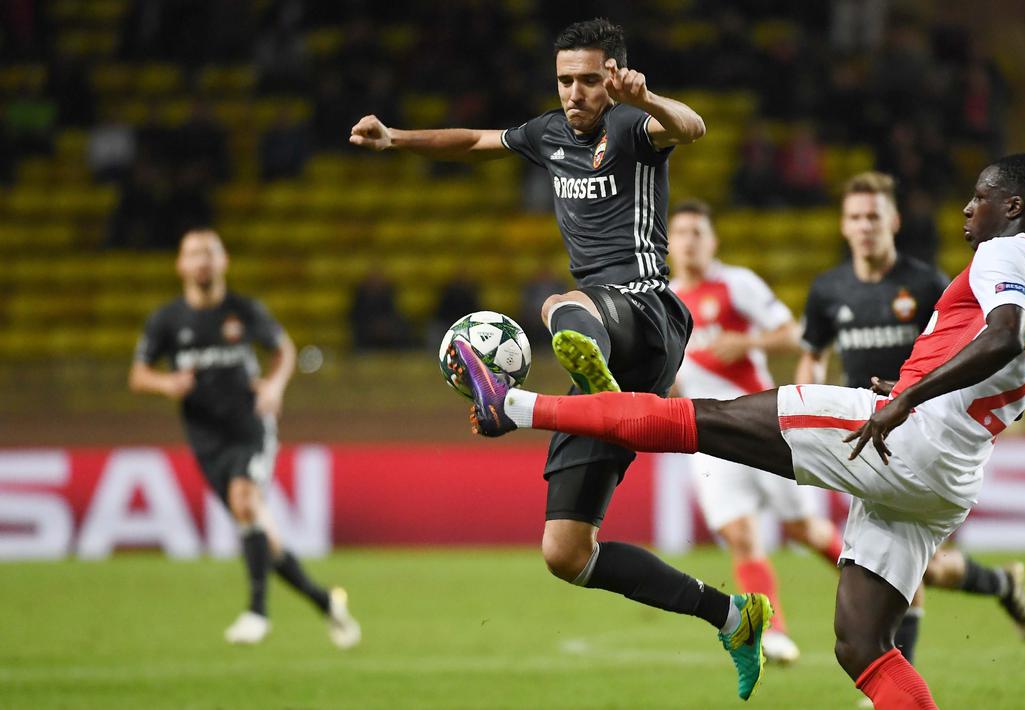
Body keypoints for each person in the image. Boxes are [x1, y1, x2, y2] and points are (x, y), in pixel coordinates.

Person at [457, 154, 1025, 709]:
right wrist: (915, 386)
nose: (967, 207)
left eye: (981, 196)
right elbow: (1010, 362)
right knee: (861, 645)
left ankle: (514, 406)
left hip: (907, 439)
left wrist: (908, 397)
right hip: (950, 474)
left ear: (1013, 207)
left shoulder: (1004, 253)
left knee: (700, 421)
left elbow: (1003, 334)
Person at [351, 19, 772, 699]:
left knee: (554, 305)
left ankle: (580, 382)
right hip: (605, 335)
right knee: (566, 553)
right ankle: (731, 617)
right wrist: (395, 138)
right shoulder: (547, 134)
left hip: (647, 313)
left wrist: (650, 98)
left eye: (586, 80)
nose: (574, 93)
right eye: (564, 80)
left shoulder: (636, 128)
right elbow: (479, 141)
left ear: (612, 77)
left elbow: (691, 129)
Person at [796, 171, 1025, 669]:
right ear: (843, 226)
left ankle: (893, 676)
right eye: (856, 217)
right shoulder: (827, 289)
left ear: (894, 221)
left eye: (874, 216)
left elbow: (970, 343)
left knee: (908, 570)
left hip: (922, 435)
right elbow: (813, 354)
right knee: (922, 569)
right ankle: (1001, 583)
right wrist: (808, 395)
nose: (865, 227)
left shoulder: (927, 282)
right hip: (862, 435)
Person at [129, 228, 361, 648]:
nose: (202, 261)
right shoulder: (166, 320)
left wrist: (273, 387)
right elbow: (138, 375)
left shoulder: (244, 311)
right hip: (205, 440)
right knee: (262, 535)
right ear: (180, 265)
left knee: (244, 500)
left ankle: (257, 612)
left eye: (210, 253)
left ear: (223, 262)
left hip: (249, 427)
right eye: (194, 253)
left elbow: (285, 349)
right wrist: (166, 385)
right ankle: (326, 603)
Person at [667, 200, 844, 665]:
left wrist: (745, 342)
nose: (689, 241)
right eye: (681, 232)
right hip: (706, 436)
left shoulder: (736, 283)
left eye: (697, 232)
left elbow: (795, 333)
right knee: (741, 535)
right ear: (668, 243)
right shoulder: (664, 301)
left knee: (804, 528)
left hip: (760, 425)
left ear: (713, 241)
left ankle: (875, 583)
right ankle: (774, 631)